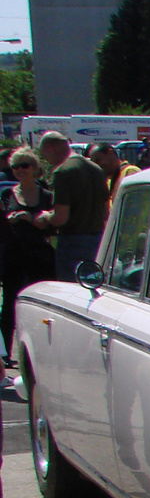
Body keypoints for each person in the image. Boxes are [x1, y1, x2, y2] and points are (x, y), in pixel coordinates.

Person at [1, 147, 55, 357]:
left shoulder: (46, 194)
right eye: (15, 166)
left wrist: (37, 219)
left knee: (42, 303)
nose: (20, 170)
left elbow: (53, 225)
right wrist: (12, 219)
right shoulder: (8, 193)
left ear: (34, 168)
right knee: (9, 303)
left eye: (24, 165)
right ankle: (5, 353)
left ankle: (44, 349)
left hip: (40, 254)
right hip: (14, 253)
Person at [37, 132, 107, 282]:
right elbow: (105, 210)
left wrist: (46, 217)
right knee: (92, 286)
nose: (47, 161)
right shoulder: (96, 169)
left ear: (50, 148)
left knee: (71, 292)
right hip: (97, 240)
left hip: (73, 243)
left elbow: (60, 218)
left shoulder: (63, 172)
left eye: (45, 155)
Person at [88, 143, 136, 219]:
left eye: (98, 160)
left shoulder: (130, 172)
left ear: (110, 153)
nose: (97, 165)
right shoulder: (110, 180)